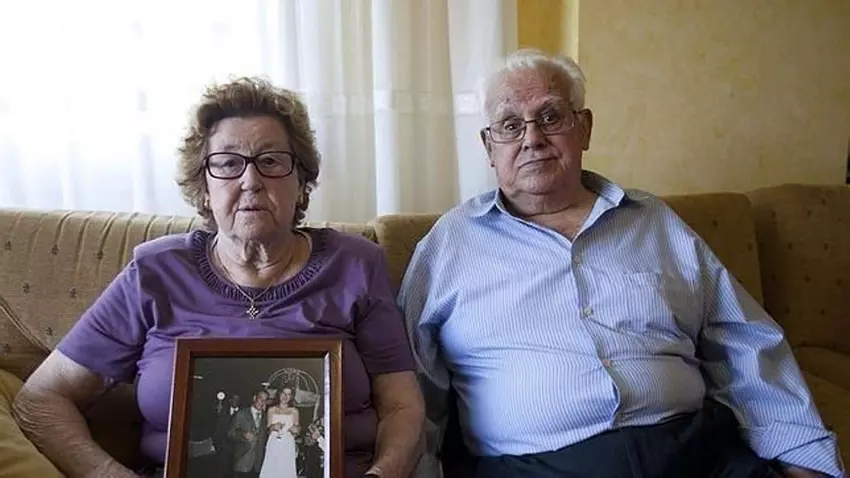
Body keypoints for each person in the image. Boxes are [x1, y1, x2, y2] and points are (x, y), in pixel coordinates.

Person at [399, 49, 845, 478]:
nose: (532, 138)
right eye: (510, 125)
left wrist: (804, 457)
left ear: (584, 128)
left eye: (551, 117)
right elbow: (410, 380)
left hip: (694, 452)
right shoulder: (451, 243)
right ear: (488, 146)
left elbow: (742, 338)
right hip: (539, 466)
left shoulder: (653, 222)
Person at [13, 77, 425, 478]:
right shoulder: (155, 273)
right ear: (204, 189)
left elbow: (402, 406)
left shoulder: (355, 264)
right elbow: (42, 398)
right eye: (228, 163)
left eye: (271, 161)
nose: (251, 181)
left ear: (301, 182)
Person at [259, 389, 299, 478]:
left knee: (286, 469)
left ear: (291, 397)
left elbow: (297, 431)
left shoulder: (294, 411)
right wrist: (273, 427)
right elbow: (268, 431)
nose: (285, 396)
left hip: (287, 443)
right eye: (283, 393)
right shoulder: (271, 410)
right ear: (279, 394)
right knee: (271, 467)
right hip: (274, 442)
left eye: (288, 394)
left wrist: (296, 430)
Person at [229, 390, 269, 478]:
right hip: (243, 461)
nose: (262, 402)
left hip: (258, 464)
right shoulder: (241, 414)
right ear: (254, 398)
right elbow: (230, 433)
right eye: (260, 398)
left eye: (265, 400)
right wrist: (243, 434)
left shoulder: (266, 417)